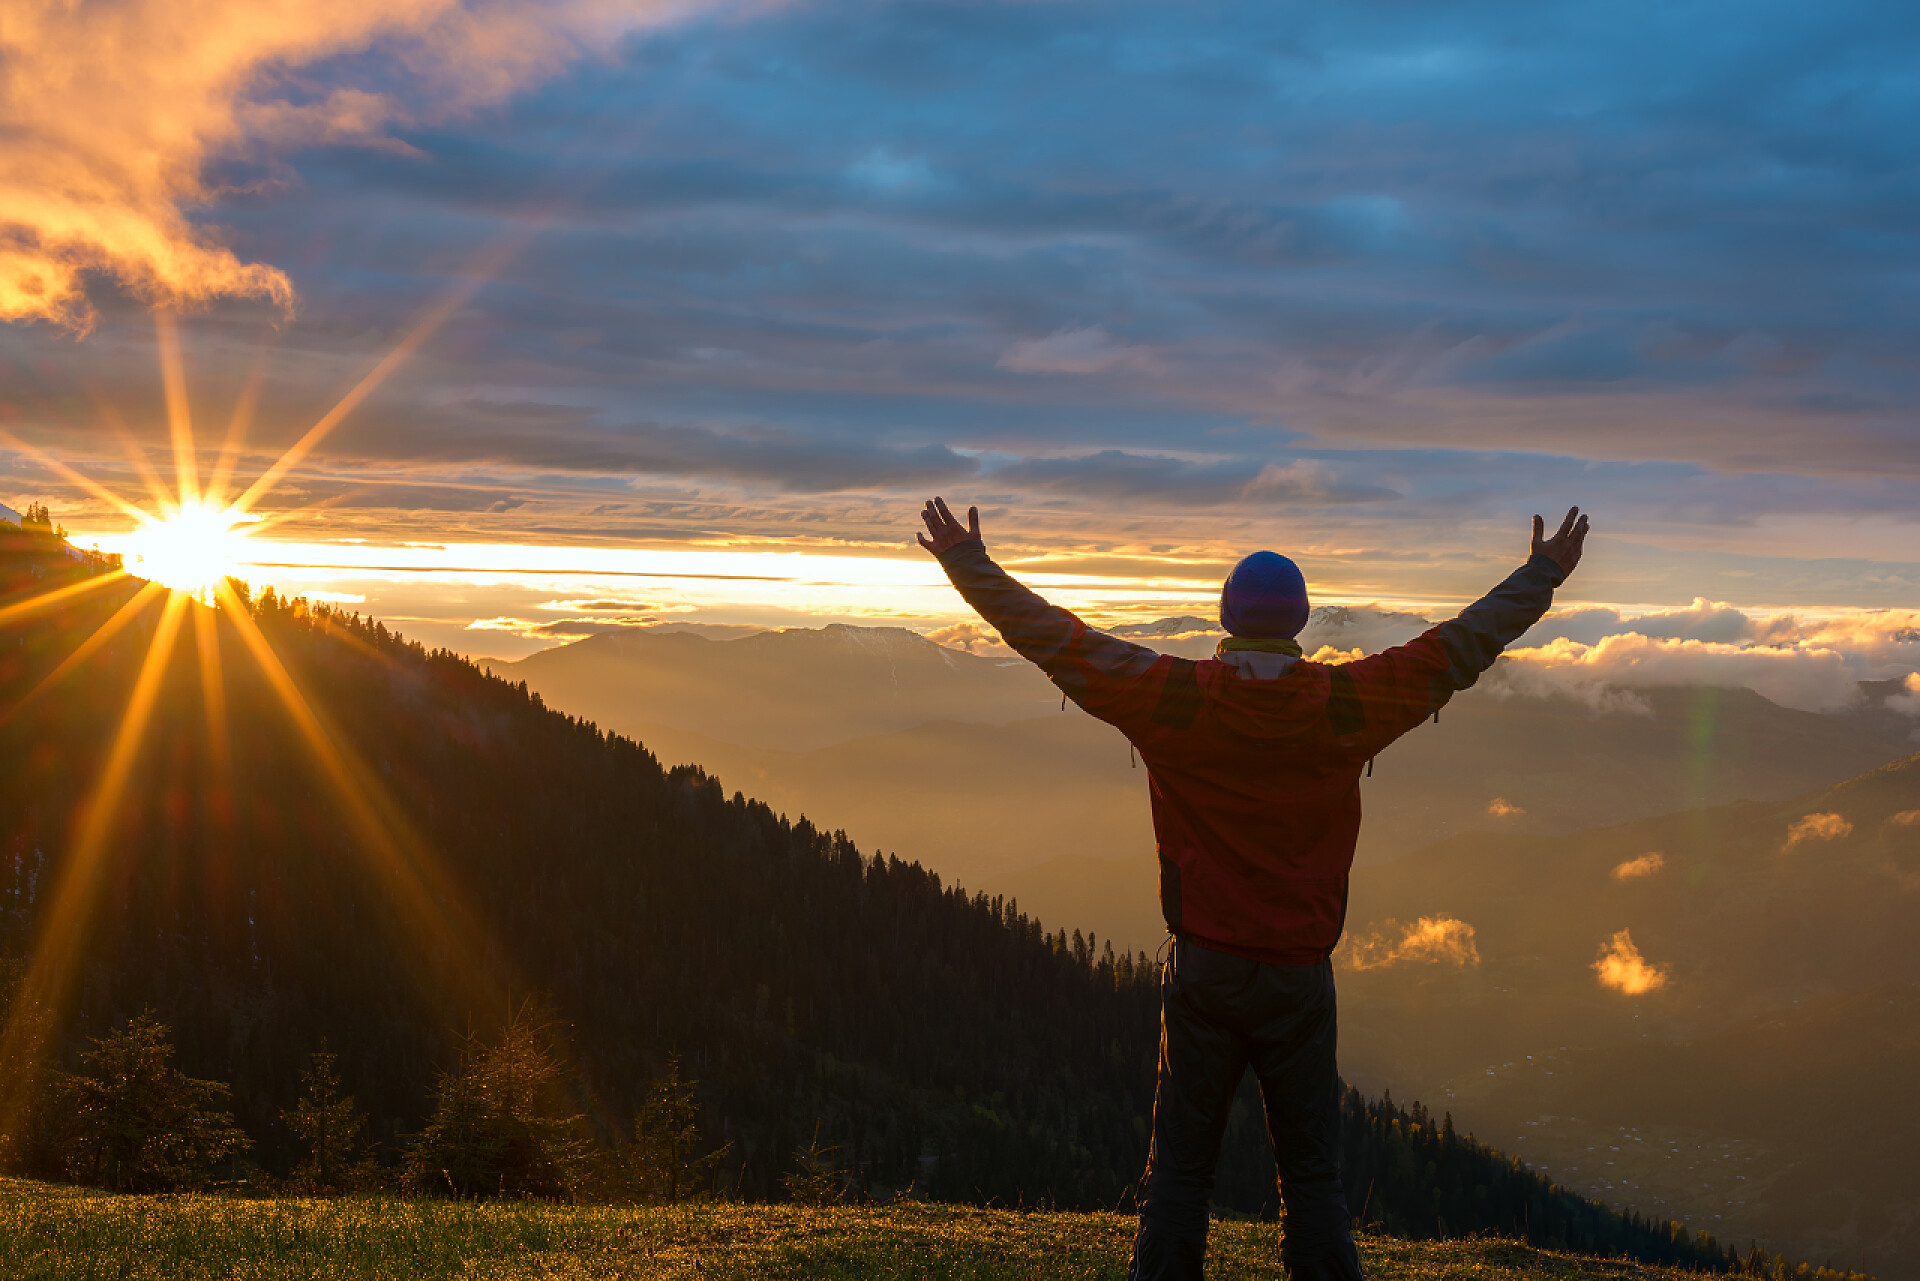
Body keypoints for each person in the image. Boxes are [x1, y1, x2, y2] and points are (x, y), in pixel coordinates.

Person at [916, 497, 1590, 1281]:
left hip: (1204, 972)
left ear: (1227, 620)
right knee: (1311, 1184)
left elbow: (1060, 643)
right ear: (1301, 624)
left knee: (1179, 1180)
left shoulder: (1174, 696)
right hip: (1300, 979)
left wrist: (969, 563)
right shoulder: (1348, 704)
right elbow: (1457, 648)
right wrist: (1543, 574)